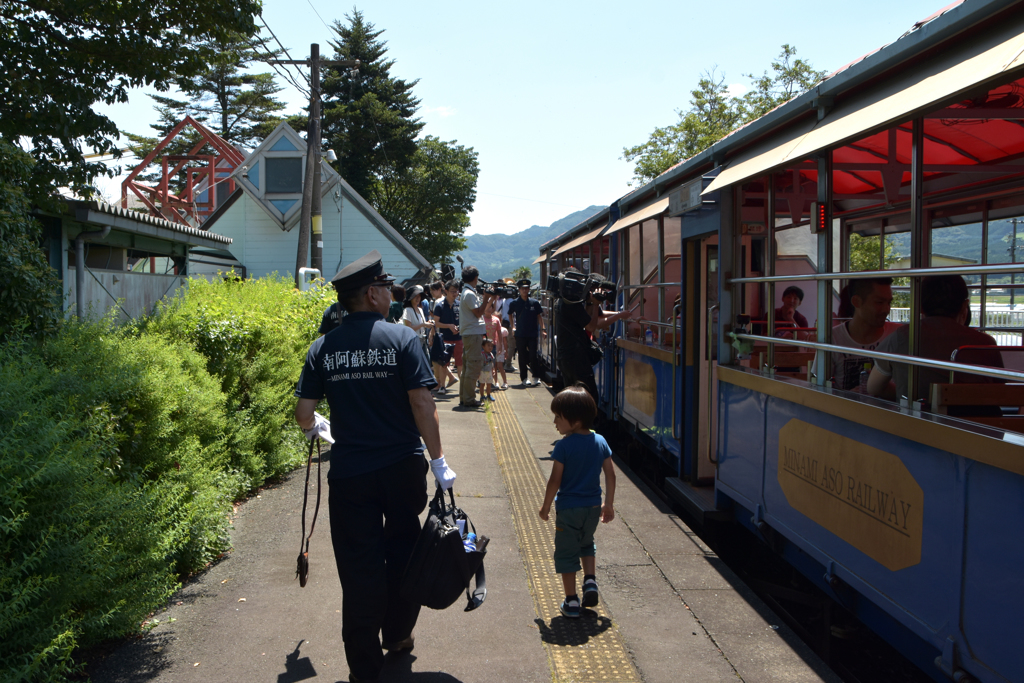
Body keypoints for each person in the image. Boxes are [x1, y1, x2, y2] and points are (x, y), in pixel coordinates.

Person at [293, 250, 456, 683]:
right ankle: (399, 636)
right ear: (371, 293)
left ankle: (364, 669)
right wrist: (438, 461)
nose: (390, 293)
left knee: (359, 567)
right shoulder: (401, 339)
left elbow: (304, 413)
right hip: (402, 468)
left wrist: (317, 428)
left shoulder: (322, 348)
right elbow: (423, 402)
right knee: (403, 552)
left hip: (350, 474)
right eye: (385, 287)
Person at [867, 275, 1002, 414]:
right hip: (980, 430)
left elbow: (874, 387)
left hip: (920, 427)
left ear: (920, 307)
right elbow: (999, 390)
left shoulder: (903, 336)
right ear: (964, 305)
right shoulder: (985, 343)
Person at [537, 385, 616, 619]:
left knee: (566, 553)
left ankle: (571, 601)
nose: (555, 422)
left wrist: (545, 506)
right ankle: (590, 581)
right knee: (586, 542)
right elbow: (611, 475)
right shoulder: (600, 441)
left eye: (558, 417)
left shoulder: (563, 446)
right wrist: (608, 504)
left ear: (575, 420)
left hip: (568, 510)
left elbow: (555, 480)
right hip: (592, 509)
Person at [556, 275, 634, 403]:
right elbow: (593, 325)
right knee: (588, 397)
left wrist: (622, 314)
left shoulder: (570, 301)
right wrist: (599, 305)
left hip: (568, 356)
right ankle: (585, 421)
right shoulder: (573, 304)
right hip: (575, 358)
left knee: (573, 396)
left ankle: (573, 420)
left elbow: (599, 315)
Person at [824, 277, 900, 391]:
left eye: (889, 302)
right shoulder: (832, 338)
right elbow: (819, 391)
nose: (886, 309)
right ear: (857, 302)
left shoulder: (899, 335)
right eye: (879, 302)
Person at [458, 266, 494, 408]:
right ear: (475, 278)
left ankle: (464, 397)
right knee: (473, 367)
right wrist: (486, 298)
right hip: (472, 334)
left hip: (470, 334)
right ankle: (469, 399)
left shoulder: (466, 292)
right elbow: (479, 313)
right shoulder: (469, 294)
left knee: (467, 368)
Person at [509, 279, 545, 386]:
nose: (524, 291)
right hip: (520, 333)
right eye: (522, 289)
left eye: (526, 288)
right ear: (519, 290)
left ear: (529, 289)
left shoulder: (535, 303)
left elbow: (539, 317)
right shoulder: (515, 303)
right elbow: (510, 314)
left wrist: (543, 330)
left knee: (533, 355)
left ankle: (536, 377)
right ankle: (524, 378)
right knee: (522, 356)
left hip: (532, 333)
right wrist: (513, 327)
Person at [433, 281, 462, 381]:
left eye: (456, 291)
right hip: (445, 339)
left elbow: (463, 320)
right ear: (446, 291)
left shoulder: (460, 305)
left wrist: (458, 328)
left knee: (460, 363)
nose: (455, 293)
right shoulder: (439, 306)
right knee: (444, 364)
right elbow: (436, 323)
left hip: (459, 338)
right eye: (452, 291)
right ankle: (442, 386)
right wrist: (449, 326)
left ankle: (462, 387)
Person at [401, 284, 435, 349]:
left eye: (419, 296)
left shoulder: (420, 309)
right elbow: (408, 328)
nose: (417, 298)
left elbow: (423, 324)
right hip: (413, 341)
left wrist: (428, 323)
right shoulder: (407, 310)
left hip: (423, 340)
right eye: (415, 296)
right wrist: (423, 324)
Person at [483, 300, 506, 389]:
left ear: (493, 308)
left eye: (491, 307)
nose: (489, 309)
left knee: (491, 365)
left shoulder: (496, 320)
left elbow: (499, 333)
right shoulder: (480, 319)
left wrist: (500, 345)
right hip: (482, 346)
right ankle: (480, 381)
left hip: (493, 346)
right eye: (487, 307)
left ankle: (490, 382)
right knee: (481, 364)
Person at [499, 291, 517, 373]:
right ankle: (508, 364)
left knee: (504, 344)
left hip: (504, 323)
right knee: (511, 345)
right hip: (510, 325)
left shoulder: (504, 300)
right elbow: (513, 313)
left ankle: (504, 362)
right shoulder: (510, 300)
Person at [479, 337, 496, 402]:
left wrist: (493, 369)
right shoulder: (482, 355)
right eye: (488, 346)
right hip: (482, 371)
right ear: (483, 346)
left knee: (489, 384)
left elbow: (492, 362)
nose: (490, 347)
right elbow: (479, 364)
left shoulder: (491, 354)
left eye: (491, 346)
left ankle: (488, 395)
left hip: (489, 372)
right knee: (482, 384)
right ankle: (482, 396)